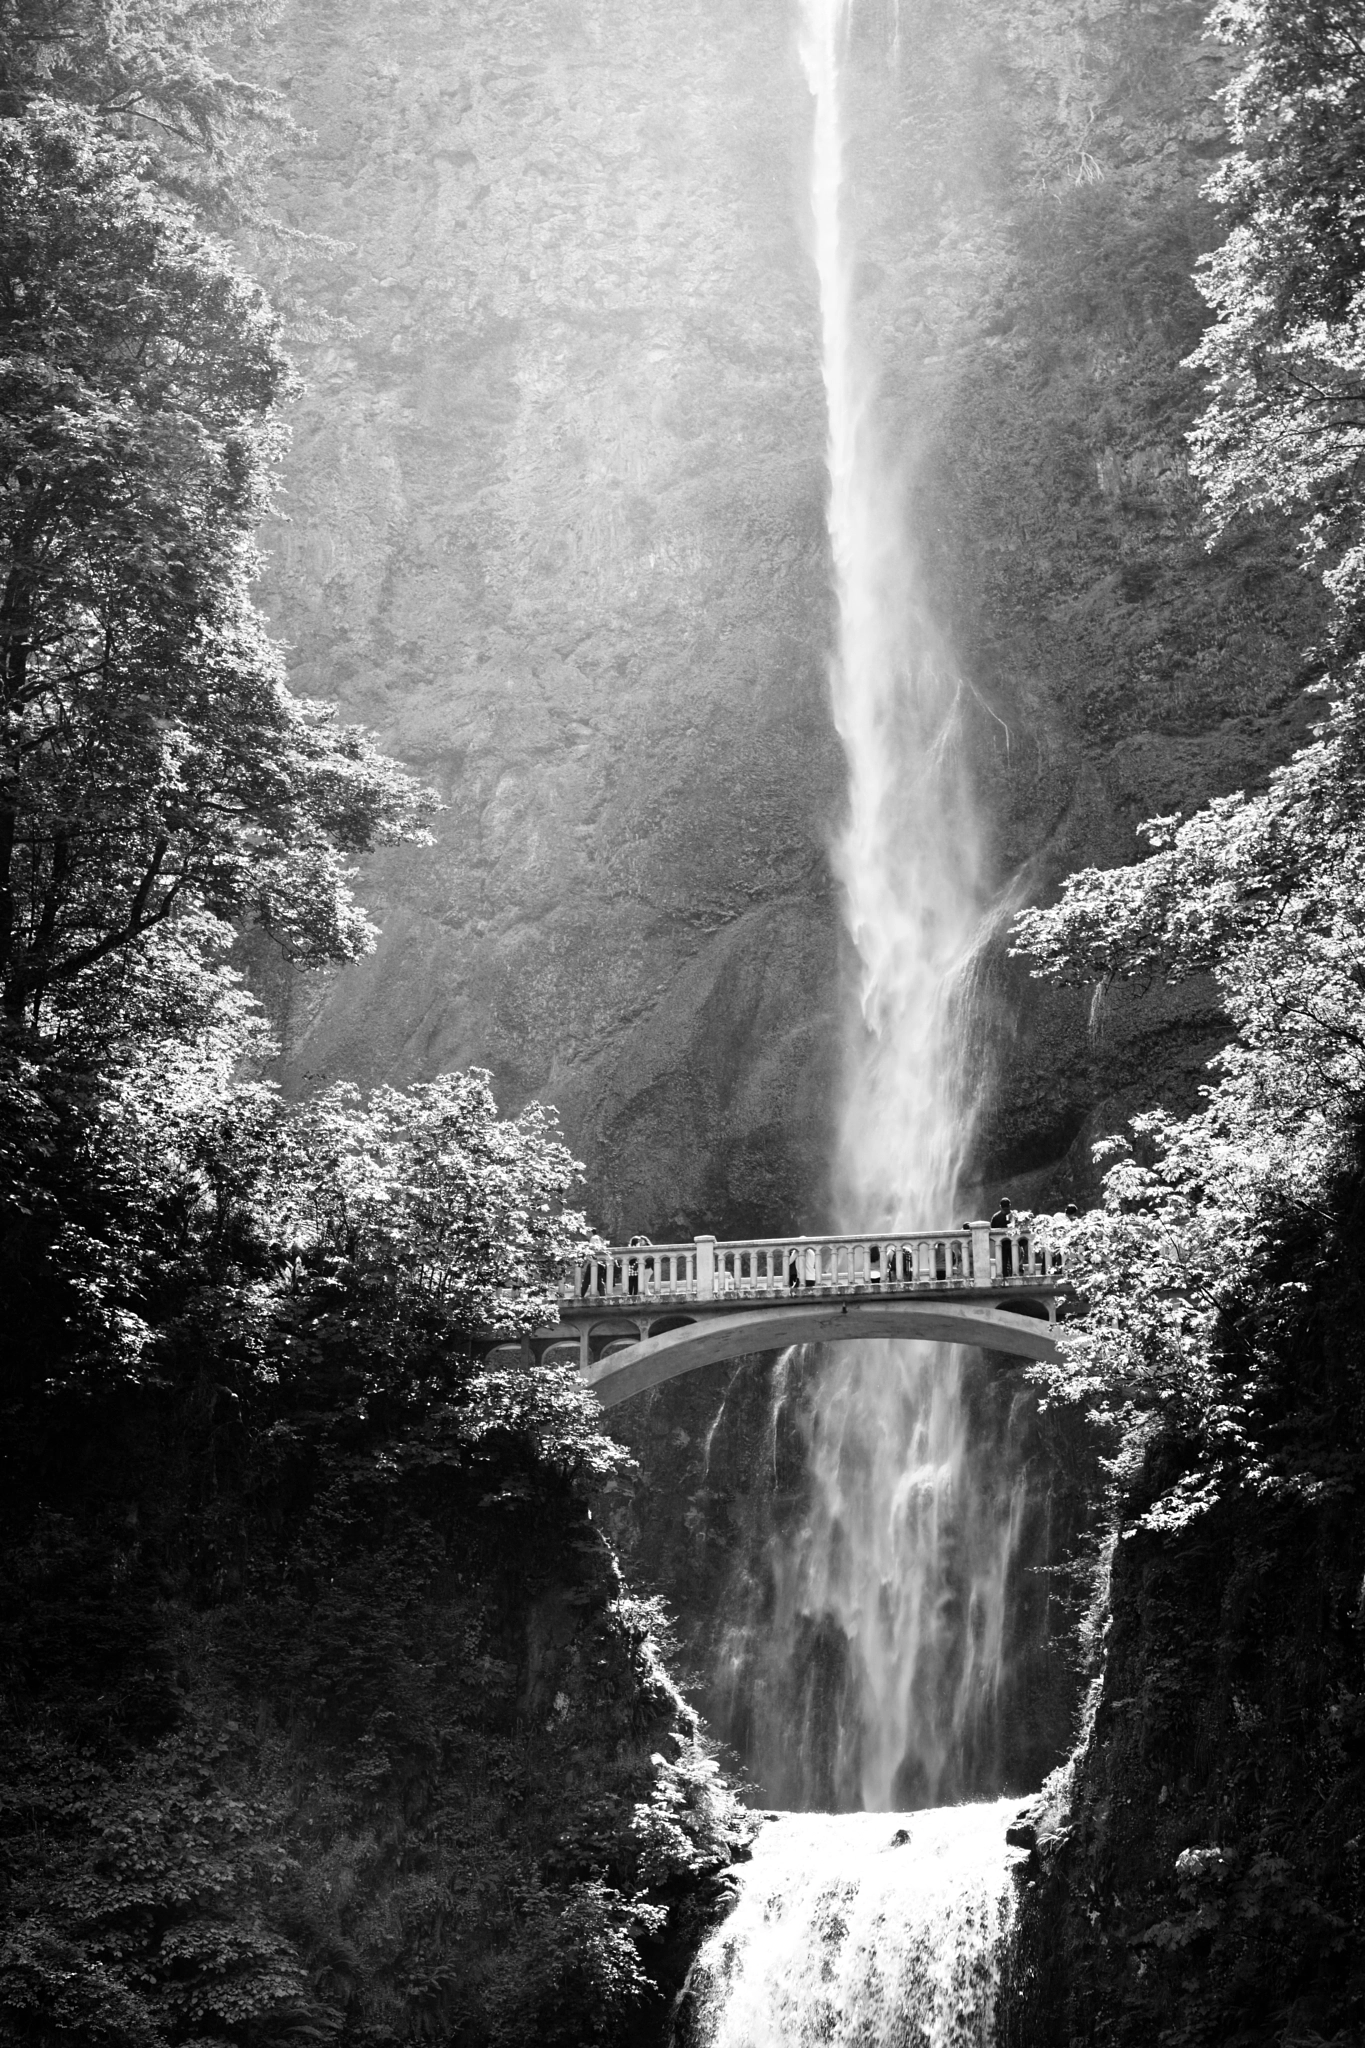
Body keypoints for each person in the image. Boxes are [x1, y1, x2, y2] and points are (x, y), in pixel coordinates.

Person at [990, 1196, 1013, 1277]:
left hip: (1000, 1244)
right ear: (1010, 1205)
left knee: (1003, 1263)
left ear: (1000, 1206)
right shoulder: (1014, 1216)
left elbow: (991, 1231)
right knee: (1013, 1262)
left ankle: (1004, 1279)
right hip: (1011, 1243)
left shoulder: (996, 1217)